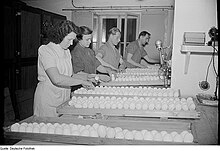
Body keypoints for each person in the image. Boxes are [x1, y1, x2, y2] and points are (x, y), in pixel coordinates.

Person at [33, 20, 94, 117]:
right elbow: (56, 78)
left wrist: (87, 78)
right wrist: (81, 82)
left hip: (64, 99)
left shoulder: (66, 51)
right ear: (59, 36)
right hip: (49, 100)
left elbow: (70, 75)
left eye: (72, 40)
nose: (71, 44)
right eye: (69, 39)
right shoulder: (46, 50)